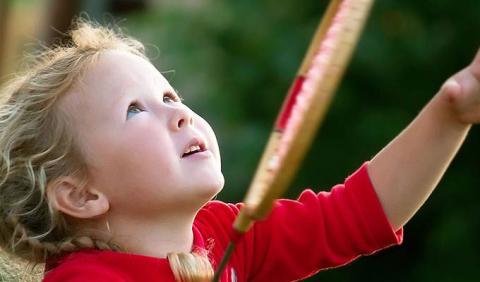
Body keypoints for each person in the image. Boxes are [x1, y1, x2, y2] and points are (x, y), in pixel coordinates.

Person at [0, 20, 478, 282]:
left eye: (171, 97)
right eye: (133, 110)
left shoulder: (221, 234)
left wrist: (451, 110)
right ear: (81, 195)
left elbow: (352, 217)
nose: (181, 114)